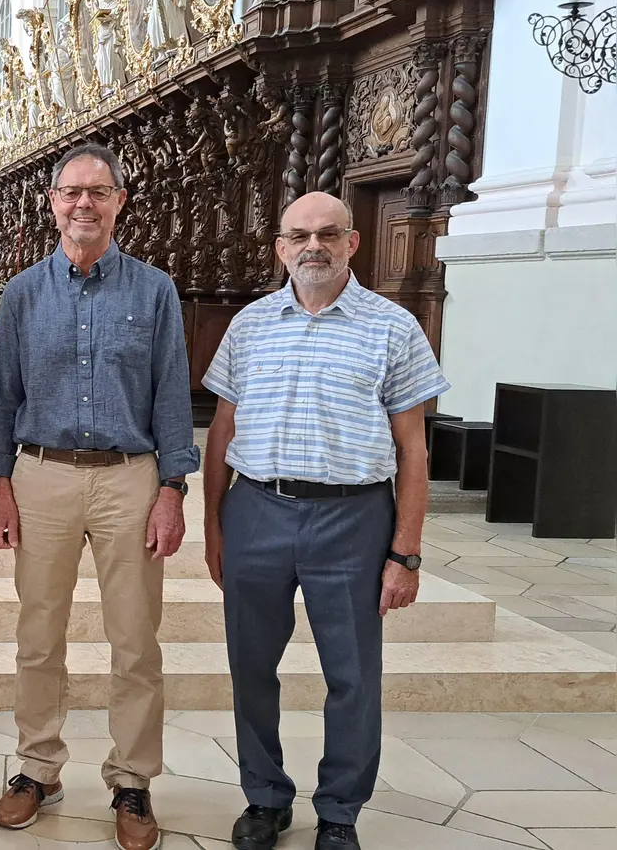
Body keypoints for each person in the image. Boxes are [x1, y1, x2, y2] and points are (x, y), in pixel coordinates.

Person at [203, 192, 447, 850]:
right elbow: (221, 432)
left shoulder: (393, 327)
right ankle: (265, 797)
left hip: (354, 519)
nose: (314, 245)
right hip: (257, 510)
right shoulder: (249, 325)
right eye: (300, 235)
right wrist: (215, 527)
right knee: (250, 664)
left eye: (328, 234)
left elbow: (413, 451)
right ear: (281, 247)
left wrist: (406, 552)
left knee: (352, 674)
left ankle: (340, 811)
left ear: (351, 244)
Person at [0, 142, 198, 849]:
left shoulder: (153, 289)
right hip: (41, 472)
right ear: (52, 203)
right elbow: (2, 399)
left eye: (97, 192)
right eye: (71, 192)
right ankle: (37, 766)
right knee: (38, 635)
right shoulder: (21, 295)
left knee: (135, 639)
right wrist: (1, 487)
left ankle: (131, 780)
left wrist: (172, 488)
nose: (83, 204)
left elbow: (171, 393)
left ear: (119, 202)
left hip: (129, 476)